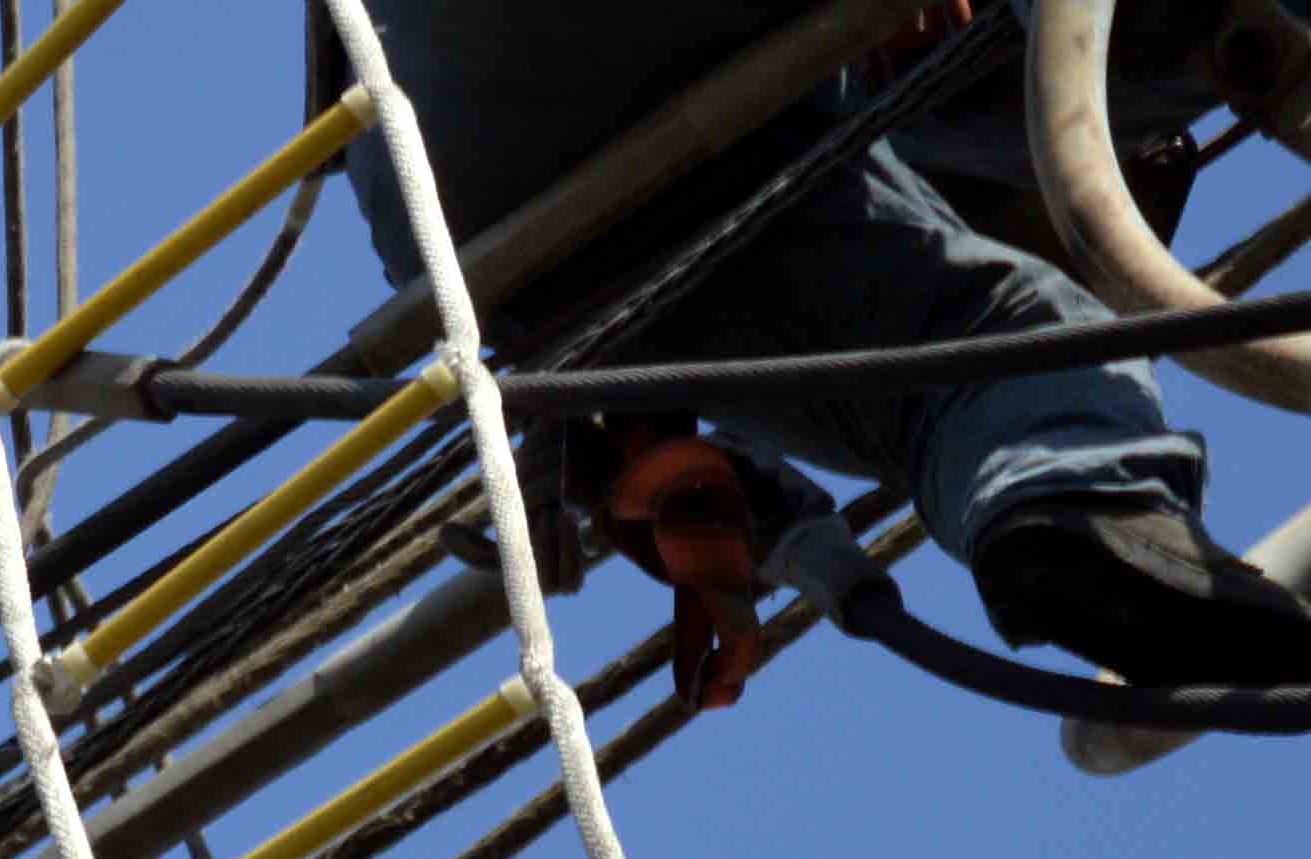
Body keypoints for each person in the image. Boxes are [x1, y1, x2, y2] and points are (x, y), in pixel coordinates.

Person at [371, 0, 1311, 690]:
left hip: (434, 177)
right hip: (554, 131)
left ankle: (1076, 513)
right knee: (990, 346)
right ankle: (1074, 499)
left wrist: (717, 496)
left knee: (963, 351)